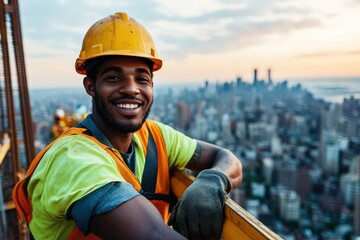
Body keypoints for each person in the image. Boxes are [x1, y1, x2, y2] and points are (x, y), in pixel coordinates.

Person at [13, 12, 242, 240]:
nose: (131, 89)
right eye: (114, 77)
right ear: (91, 86)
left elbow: (227, 158)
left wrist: (212, 180)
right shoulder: (73, 159)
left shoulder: (156, 137)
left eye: (142, 79)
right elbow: (154, 235)